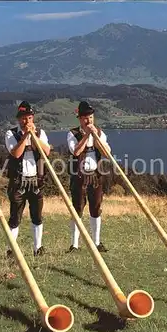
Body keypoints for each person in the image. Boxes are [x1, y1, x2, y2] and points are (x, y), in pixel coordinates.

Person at [4, 101, 51, 257]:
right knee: (15, 217)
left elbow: (47, 151)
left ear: (33, 118)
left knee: (37, 216)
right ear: (19, 119)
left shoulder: (40, 133)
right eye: (23, 118)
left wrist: (34, 137)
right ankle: (12, 250)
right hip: (18, 181)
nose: (27, 121)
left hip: (36, 180)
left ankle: (38, 248)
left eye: (29, 118)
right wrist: (25, 136)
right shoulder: (11, 134)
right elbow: (16, 153)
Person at [67, 101, 111, 253]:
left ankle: (96, 242)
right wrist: (86, 135)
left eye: (91, 117)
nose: (89, 121)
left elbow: (107, 153)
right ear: (80, 119)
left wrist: (96, 139)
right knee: (77, 209)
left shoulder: (100, 133)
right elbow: (76, 152)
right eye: (85, 118)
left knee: (96, 208)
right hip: (79, 177)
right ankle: (74, 245)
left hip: (96, 176)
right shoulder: (73, 134)